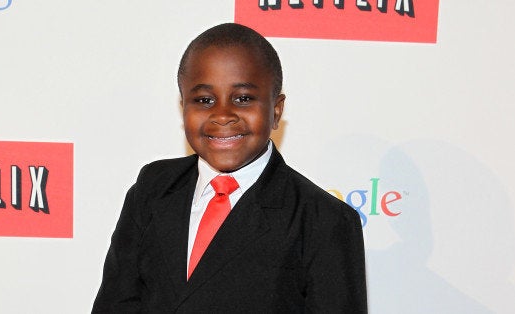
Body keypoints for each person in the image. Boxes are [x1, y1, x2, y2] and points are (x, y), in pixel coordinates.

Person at [92, 23, 367, 313]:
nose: (222, 115)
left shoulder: (322, 221)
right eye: (204, 100)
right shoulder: (152, 188)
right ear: (183, 105)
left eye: (243, 99)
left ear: (276, 110)